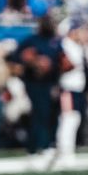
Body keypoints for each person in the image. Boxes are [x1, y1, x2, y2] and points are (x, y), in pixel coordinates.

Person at [12, 14, 62, 157]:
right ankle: (36, 146)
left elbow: (61, 61)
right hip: (34, 82)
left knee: (49, 114)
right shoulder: (31, 40)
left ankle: (46, 144)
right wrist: (33, 62)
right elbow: (16, 59)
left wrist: (54, 69)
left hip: (50, 82)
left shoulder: (55, 41)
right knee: (39, 113)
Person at [53, 19, 88, 168]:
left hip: (76, 88)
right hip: (67, 87)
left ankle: (67, 148)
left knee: (74, 119)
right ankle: (65, 150)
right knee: (68, 119)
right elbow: (64, 64)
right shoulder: (65, 45)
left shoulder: (75, 46)